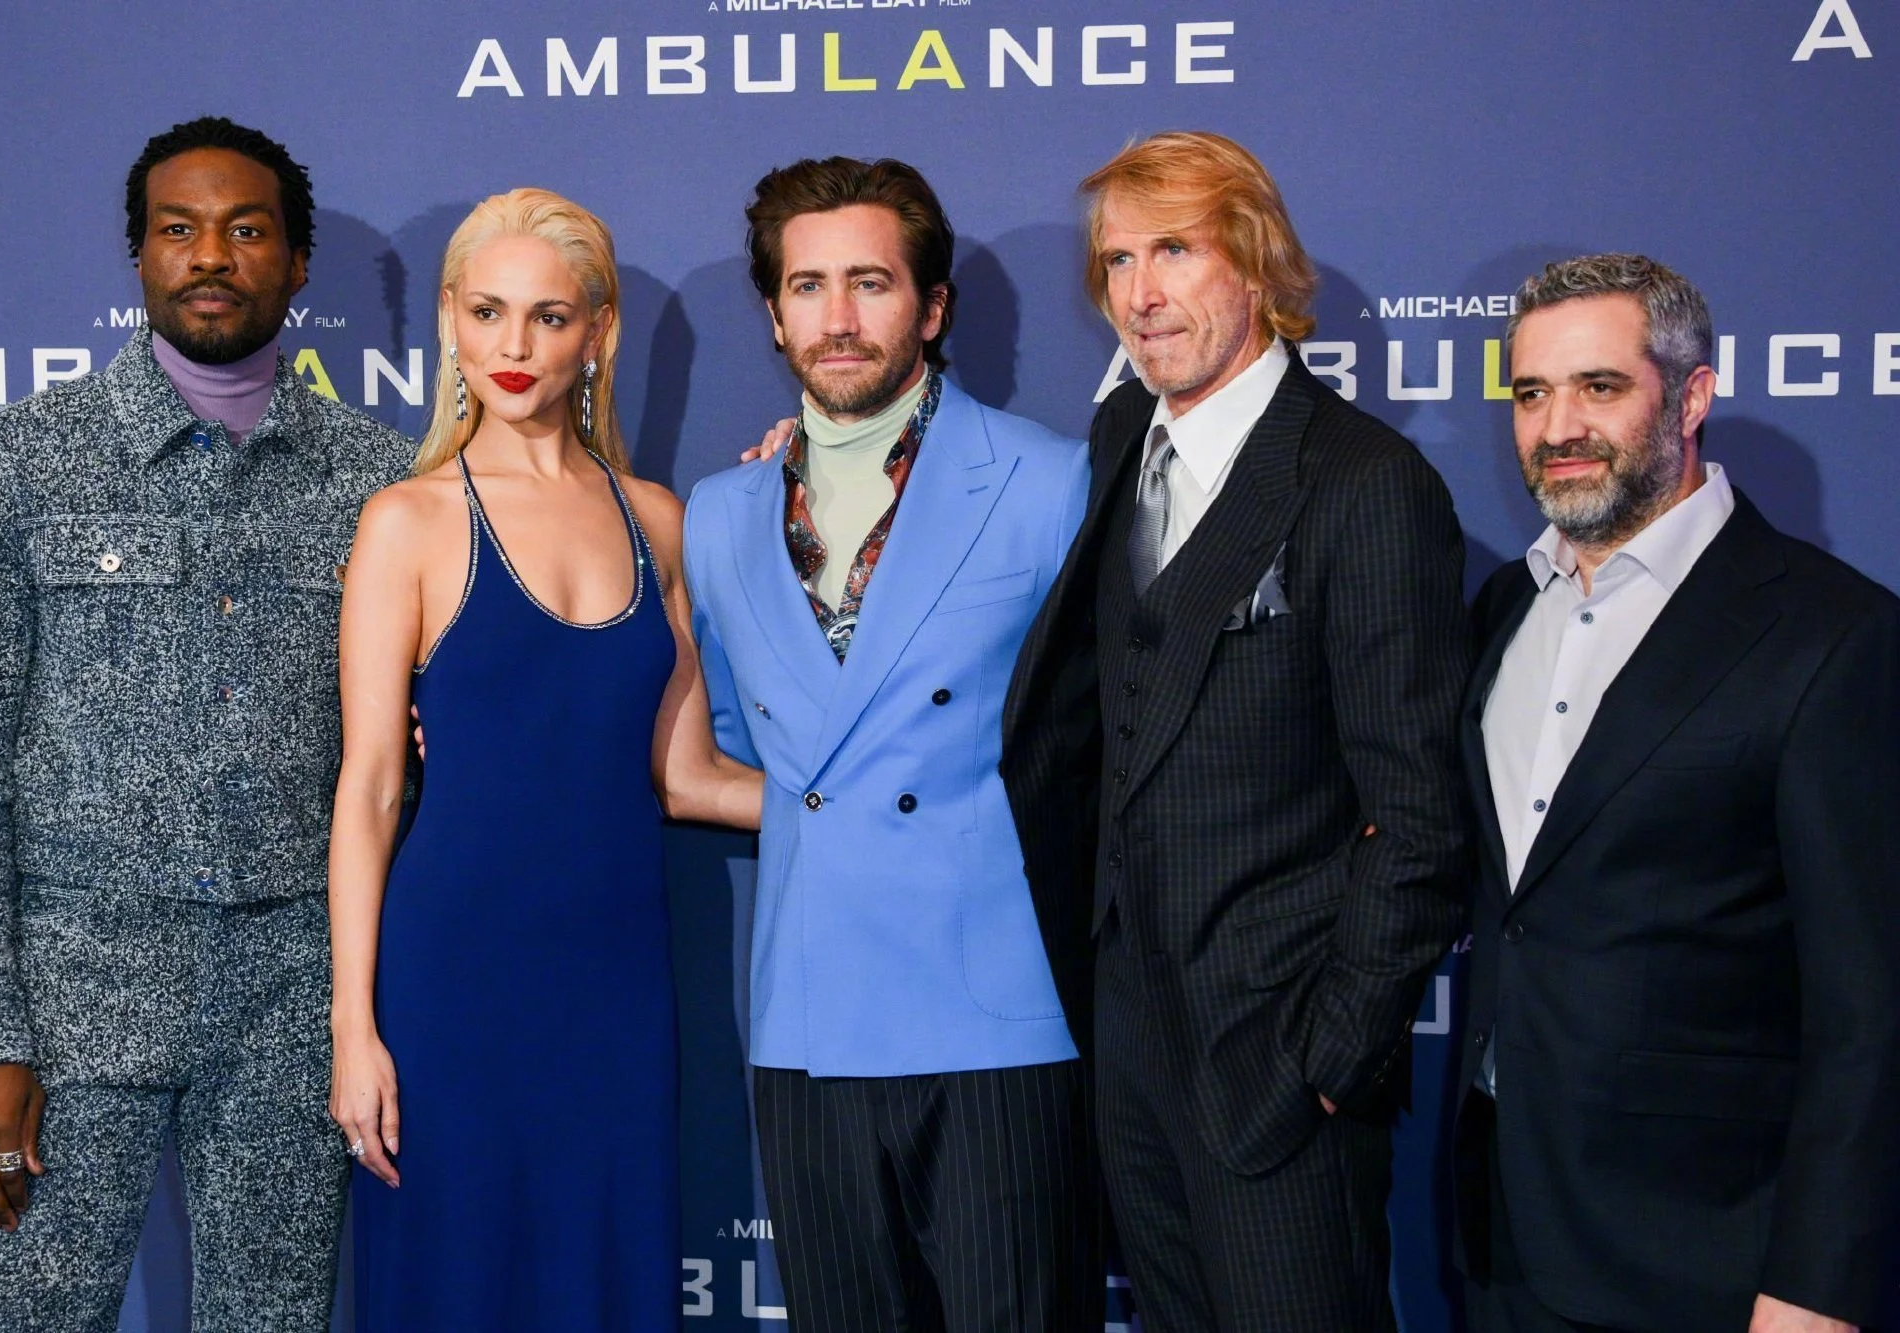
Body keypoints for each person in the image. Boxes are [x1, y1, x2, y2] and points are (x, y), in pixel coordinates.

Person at [0, 117, 410, 1330]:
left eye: (246, 230)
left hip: (295, 1004)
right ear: (138, 258)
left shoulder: (379, 483)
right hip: (69, 998)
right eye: (178, 230)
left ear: (297, 262)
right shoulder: (17, 460)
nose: (211, 257)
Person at [1000, 131, 1472, 1332]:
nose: (1139, 294)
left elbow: (1416, 813)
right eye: (1115, 261)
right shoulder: (1118, 446)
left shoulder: (1364, 483)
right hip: (1126, 1054)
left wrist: (1328, 1059)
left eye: (1173, 250)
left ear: (1254, 264)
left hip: (1275, 1062)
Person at [326, 188, 761, 1331]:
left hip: (614, 982)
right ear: (451, 325)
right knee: (455, 1285)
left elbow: (689, 777)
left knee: (601, 1281)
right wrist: (353, 1028)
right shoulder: (406, 522)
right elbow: (370, 786)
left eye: (549, 316)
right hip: (450, 982)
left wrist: (881, 805)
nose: (514, 348)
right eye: (487, 312)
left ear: (599, 333)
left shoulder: (655, 520)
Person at [685, 157, 1105, 1331]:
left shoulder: (1046, 482)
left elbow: (1096, 743)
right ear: (772, 315)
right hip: (807, 1013)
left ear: (929, 307)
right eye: (806, 285)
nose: (836, 315)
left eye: (868, 282)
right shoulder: (720, 515)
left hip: (993, 1007)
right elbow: (732, 738)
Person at [1452, 254, 1900, 1333]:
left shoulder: (1828, 635)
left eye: (1598, 387)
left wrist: (1813, 1288)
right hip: (1498, 1230)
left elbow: (1868, 1009)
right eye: (1529, 392)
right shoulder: (1500, 608)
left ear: (1689, 396)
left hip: (1710, 1254)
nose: (1557, 424)